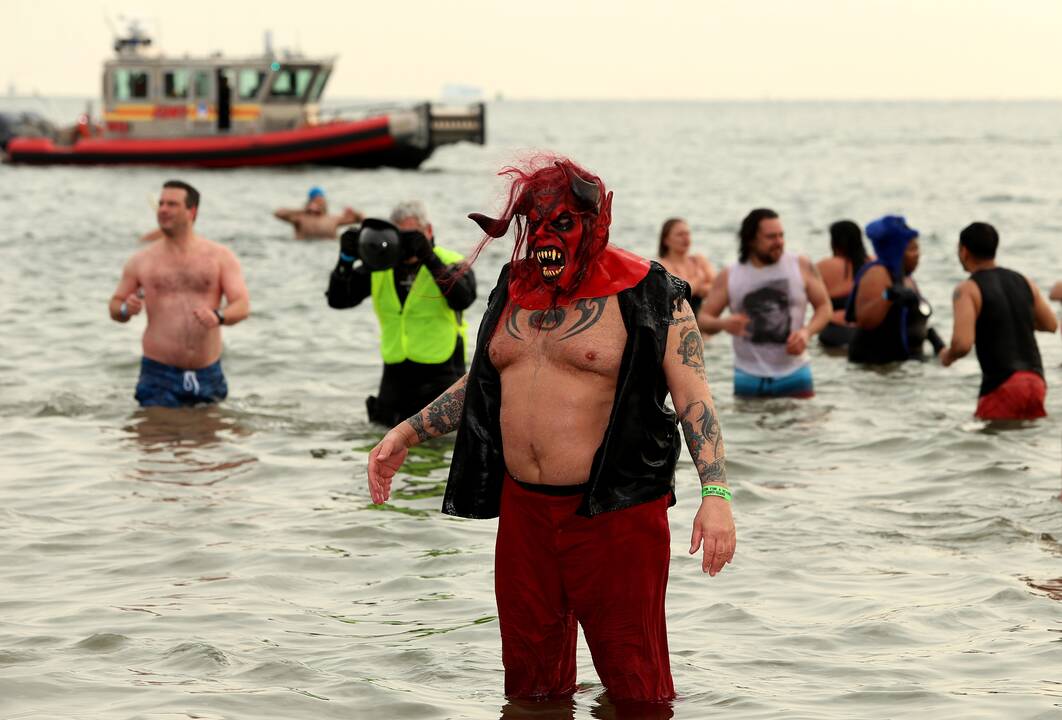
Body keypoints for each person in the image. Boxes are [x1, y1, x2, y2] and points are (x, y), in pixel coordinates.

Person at [367, 156, 736, 706]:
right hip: (524, 517)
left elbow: (693, 398)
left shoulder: (649, 292)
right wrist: (406, 432)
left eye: (560, 222)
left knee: (638, 691)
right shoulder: (514, 287)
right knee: (530, 691)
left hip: (615, 518)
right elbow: (488, 377)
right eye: (532, 224)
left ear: (595, 221)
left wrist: (717, 494)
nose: (543, 237)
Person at [326, 200, 476, 426]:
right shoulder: (381, 265)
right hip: (394, 379)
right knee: (384, 448)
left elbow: (463, 298)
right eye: (402, 237)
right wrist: (345, 260)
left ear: (429, 231)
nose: (408, 245)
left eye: (413, 236)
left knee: (442, 453)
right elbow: (338, 300)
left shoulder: (450, 261)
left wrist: (429, 257)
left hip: (442, 375)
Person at [108, 180, 250, 407]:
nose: (163, 209)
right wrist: (126, 308)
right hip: (158, 373)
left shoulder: (220, 256)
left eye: (172, 204)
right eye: (161, 203)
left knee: (210, 439)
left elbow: (242, 305)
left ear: (191, 211)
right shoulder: (141, 260)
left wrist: (219, 316)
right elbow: (115, 306)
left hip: (207, 372)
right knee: (154, 437)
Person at [697, 208, 830, 398]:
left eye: (781, 235)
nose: (779, 242)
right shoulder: (731, 274)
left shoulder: (801, 265)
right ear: (751, 239)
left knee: (803, 426)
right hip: (747, 376)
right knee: (747, 427)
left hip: (796, 372)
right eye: (771, 237)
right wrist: (723, 323)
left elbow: (825, 307)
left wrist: (806, 332)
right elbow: (702, 319)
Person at [939, 222, 1057, 420]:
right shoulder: (1023, 280)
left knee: (988, 445)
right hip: (1036, 381)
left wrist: (947, 356)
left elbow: (962, 344)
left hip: (1003, 384)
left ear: (964, 251)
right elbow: (1051, 324)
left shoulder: (967, 289)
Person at [846, 216, 944, 364]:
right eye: (912, 249)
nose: (918, 254)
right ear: (896, 251)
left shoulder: (907, 278)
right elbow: (865, 320)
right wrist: (888, 296)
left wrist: (936, 342)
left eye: (917, 248)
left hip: (906, 366)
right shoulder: (877, 273)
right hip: (877, 367)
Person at [816, 219, 869, 348]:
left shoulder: (823, 266)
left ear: (834, 242)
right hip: (869, 332)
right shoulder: (875, 265)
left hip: (836, 331)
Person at [657, 217, 716, 315]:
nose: (685, 238)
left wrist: (695, 288)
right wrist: (699, 279)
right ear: (666, 240)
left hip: (699, 321)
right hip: (676, 323)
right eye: (680, 234)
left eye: (687, 234)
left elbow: (718, 290)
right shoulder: (662, 266)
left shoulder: (699, 260)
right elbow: (678, 295)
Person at [274, 186, 363, 239]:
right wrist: (304, 210)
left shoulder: (333, 219)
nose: (319, 204)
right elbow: (278, 213)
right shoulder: (300, 218)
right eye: (316, 201)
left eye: (321, 201)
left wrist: (354, 212)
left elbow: (361, 219)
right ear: (310, 202)